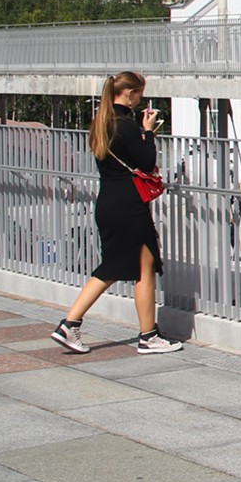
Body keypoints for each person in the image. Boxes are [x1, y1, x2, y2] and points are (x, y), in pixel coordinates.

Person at [49, 72, 182, 355]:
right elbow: (146, 162)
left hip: (108, 202)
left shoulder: (101, 123)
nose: (140, 100)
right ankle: (73, 323)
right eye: (140, 94)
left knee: (136, 265)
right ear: (129, 94)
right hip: (129, 205)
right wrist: (147, 131)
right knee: (125, 268)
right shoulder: (126, 126)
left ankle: (146, 334)